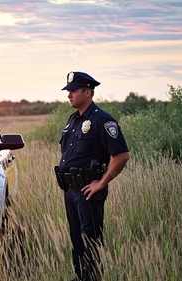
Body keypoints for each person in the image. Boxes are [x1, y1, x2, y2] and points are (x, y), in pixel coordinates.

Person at [56, 71, 130, 281]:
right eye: (68, 91)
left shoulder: (102, 120)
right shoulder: (73, 120)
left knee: (91, 238)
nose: (69, 95)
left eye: (73, 91)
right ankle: (81, 277)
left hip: (88, 191)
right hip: (70, 190)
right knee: (77, 239)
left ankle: (93, 277)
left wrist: (101, 183)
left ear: (87, 92)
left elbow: (122, 155)